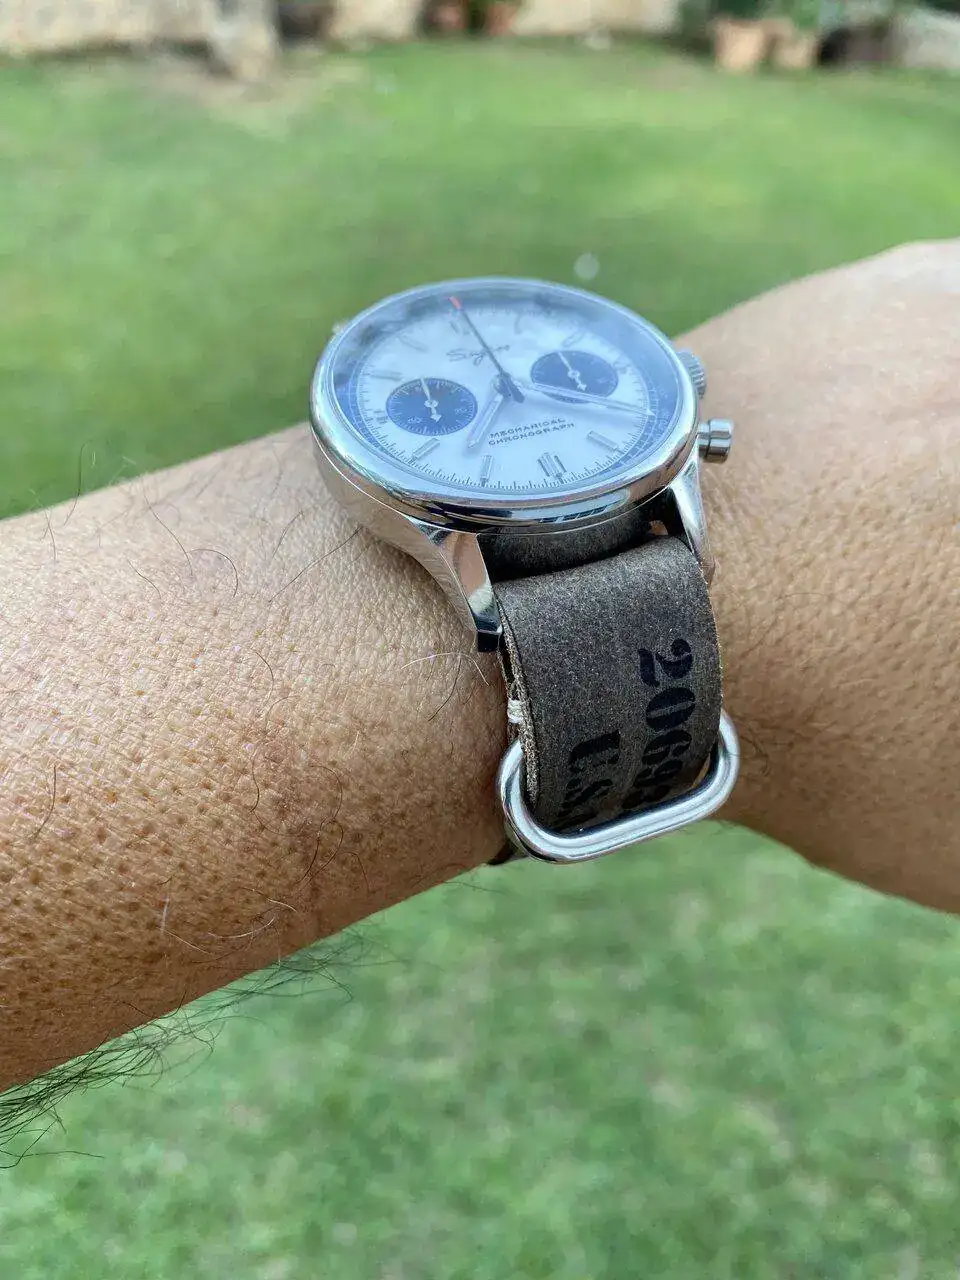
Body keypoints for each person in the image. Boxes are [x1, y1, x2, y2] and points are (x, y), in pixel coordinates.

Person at [0, 241, 957, 1095]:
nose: (509, 395)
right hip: (486, 540)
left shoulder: (667, 485)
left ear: (682, 394)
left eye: (561, 370)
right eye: (441, 396)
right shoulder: (465, 546)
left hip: (633, 494)